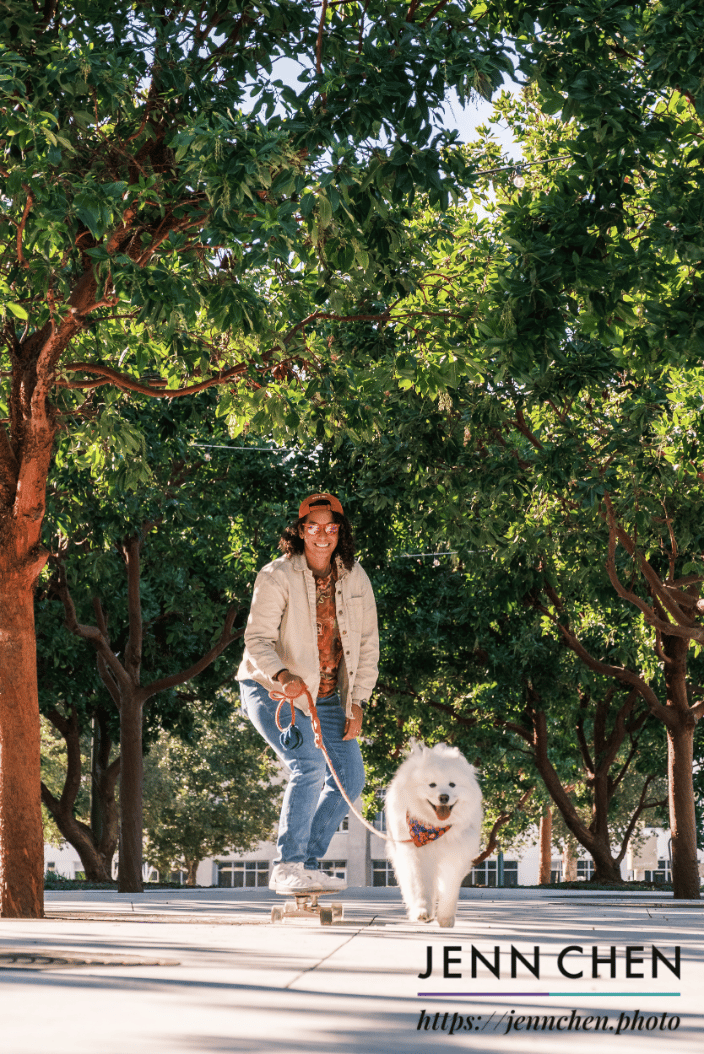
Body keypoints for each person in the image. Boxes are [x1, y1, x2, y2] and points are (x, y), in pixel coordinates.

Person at [237, 492, 379, 892]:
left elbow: (367, 646)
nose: (322, 535)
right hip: (271, 689)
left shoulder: (356, 576)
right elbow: (257, 639)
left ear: (339, 532)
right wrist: (283, 675)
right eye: (313, 527)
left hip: (330, 697)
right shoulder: (276, 575)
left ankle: (307, 862)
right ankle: (289, 864)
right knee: (309, 765)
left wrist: (358, 702)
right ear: (299, 531)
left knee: (350, 779)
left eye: (330, 527)